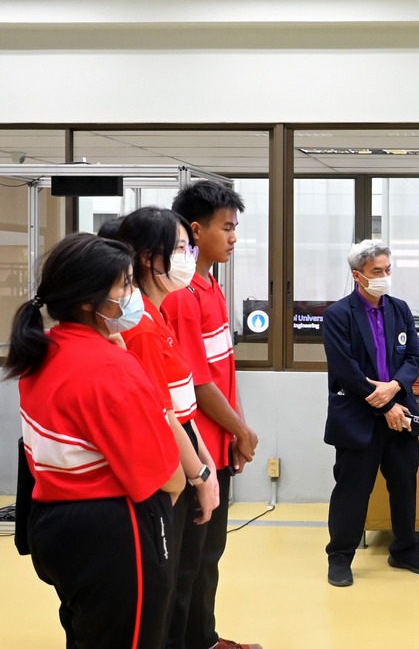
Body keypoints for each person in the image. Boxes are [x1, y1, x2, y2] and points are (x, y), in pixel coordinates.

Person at [6, 232, 184, 648]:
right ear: (89, 300)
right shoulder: (111, 367)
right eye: (124, 284)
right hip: (114, 533)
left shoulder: (41, 350)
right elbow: (166, 477)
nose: (132, 293)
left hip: (53, 524)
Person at [110, 206, 222, 648]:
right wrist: (198, 475)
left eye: (187, 247)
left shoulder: (158, 315)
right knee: (168, 587)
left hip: (188, 460)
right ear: (144, 256)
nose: (187, 257)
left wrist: (206, 464)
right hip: (167, 475)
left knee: (184, 576)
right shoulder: (137, 326)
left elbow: (182, 406)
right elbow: (161, 413)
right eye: (178, 248)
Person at [161, 182, 261, 649]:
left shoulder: (211, 286)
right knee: (187, 562)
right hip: (194, 450)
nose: (234, 237)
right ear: (196, 231)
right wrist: (239, 430)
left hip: (219, 443)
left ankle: (204, 637)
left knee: (207, 556)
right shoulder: (182, 298)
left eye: (236, 228)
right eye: (227, 228)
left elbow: (223, 372)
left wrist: (238, 434)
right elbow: (196, 387)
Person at [322, 239, 419, 587]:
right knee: (352, 490)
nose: (385, 277)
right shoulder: (338, 315)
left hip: (400, 413)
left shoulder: (400, 309)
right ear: (358, 276)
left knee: (405, 484)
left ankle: (404, 550)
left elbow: (414, 358)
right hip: (358, 416)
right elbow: (346, 370)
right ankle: (340, 558)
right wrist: (384, 401)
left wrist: (394, 388)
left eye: (388, 270)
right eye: (377, 272)